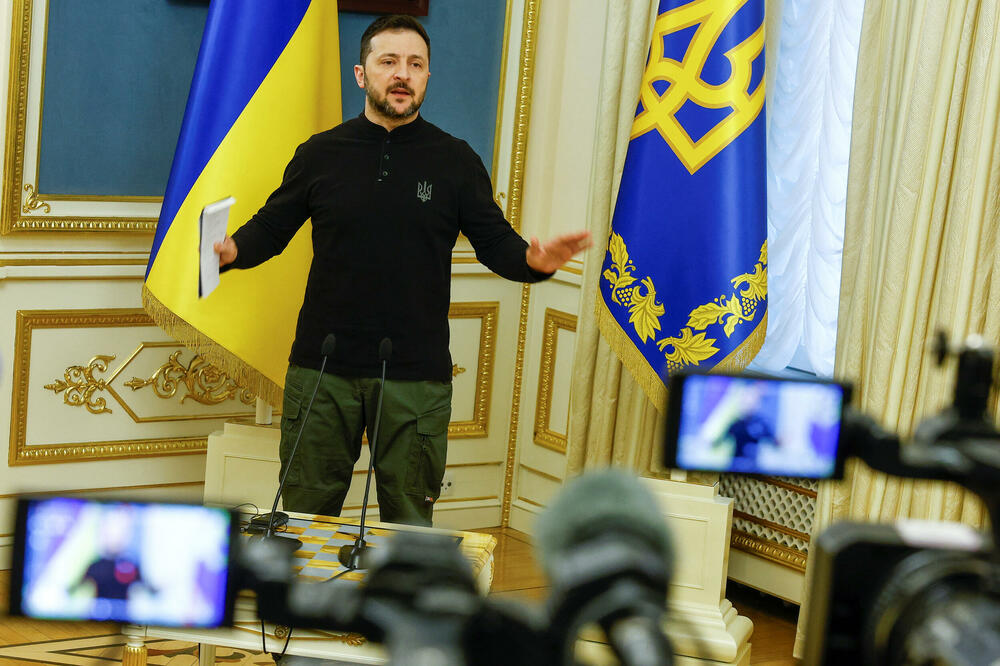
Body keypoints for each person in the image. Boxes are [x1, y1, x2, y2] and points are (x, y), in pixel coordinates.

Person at [214, 15, 591, 526]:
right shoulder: (321, 153)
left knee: (409, 520)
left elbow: (497, 244)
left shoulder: (455, 160)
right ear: (361, 74)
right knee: (304, 512)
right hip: (323, 365)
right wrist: (230, 251)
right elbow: (271, 228)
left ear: (427, 78)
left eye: (415, 65)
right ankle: (300, 609)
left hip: (415, 372)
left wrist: (535, 262)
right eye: (388, 61)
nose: (402, 74)